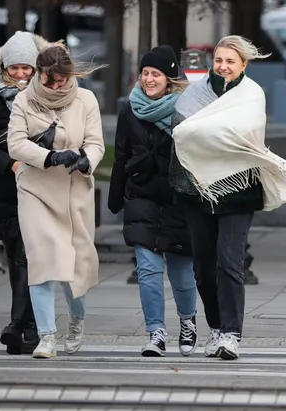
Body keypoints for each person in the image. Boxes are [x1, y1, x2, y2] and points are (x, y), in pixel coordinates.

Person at [170, 35, 286, 361]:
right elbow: (181, 130)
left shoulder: (252, 95)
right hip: (197, 189)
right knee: (203, 268)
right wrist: (209, 135)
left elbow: (242, 135)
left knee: (229, 262)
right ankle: (215, 326)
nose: (223, 66)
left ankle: (232, 334)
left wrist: (208, 135)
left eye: (231, 61)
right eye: (219, 60)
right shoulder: (194, 93)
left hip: (238, 189)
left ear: (244, 65)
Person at [7, 43, 105, 359]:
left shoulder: (86, 99)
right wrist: (49, 157)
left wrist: (85, 160)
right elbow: (16, 144)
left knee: (75, 266)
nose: (56, 85)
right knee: (43, 260)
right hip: (36, 189)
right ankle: (47, 336)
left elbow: (96, 143)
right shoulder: (24, 100)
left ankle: (76, 320)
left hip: (74, 189)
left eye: (61, 78)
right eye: (50, 79)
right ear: (39, 73)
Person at [109, 46, 197, 357]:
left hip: (178, 197)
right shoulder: (130, 108)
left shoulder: (187, 107)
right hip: (141, 194)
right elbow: (121, 153)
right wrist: (115, 195)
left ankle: (188, 321)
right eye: (145, 73)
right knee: (146, 267)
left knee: (181, 272)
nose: (148, 79)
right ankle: (156, 332)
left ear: (170, 77)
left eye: (155, 74)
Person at [0, 30, 45, 355]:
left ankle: (20, 326)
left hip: (40, 185)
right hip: (5, 186)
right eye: (13, 68)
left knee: (27, 254)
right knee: (16, 255)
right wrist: (11, 165)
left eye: (26, 68)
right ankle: (29, 328)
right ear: (3, 67)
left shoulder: (46, 93)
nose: (19, 74)